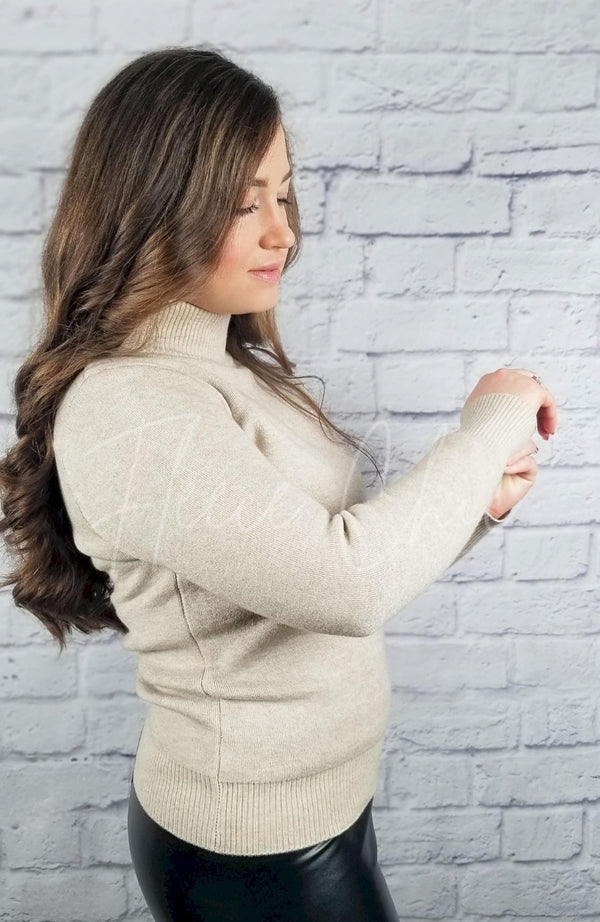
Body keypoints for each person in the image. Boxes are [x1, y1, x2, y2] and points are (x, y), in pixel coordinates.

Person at [0, 45, 557, 922]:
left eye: (283, 193)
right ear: (153, 203)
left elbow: (322, 551)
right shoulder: (133, 407)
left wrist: (474, 508)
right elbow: (346, 583)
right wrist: (487, 429)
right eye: (240, 201)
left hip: (319, 811)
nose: (281, 231)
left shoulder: (222, 362)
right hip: (251, 849)